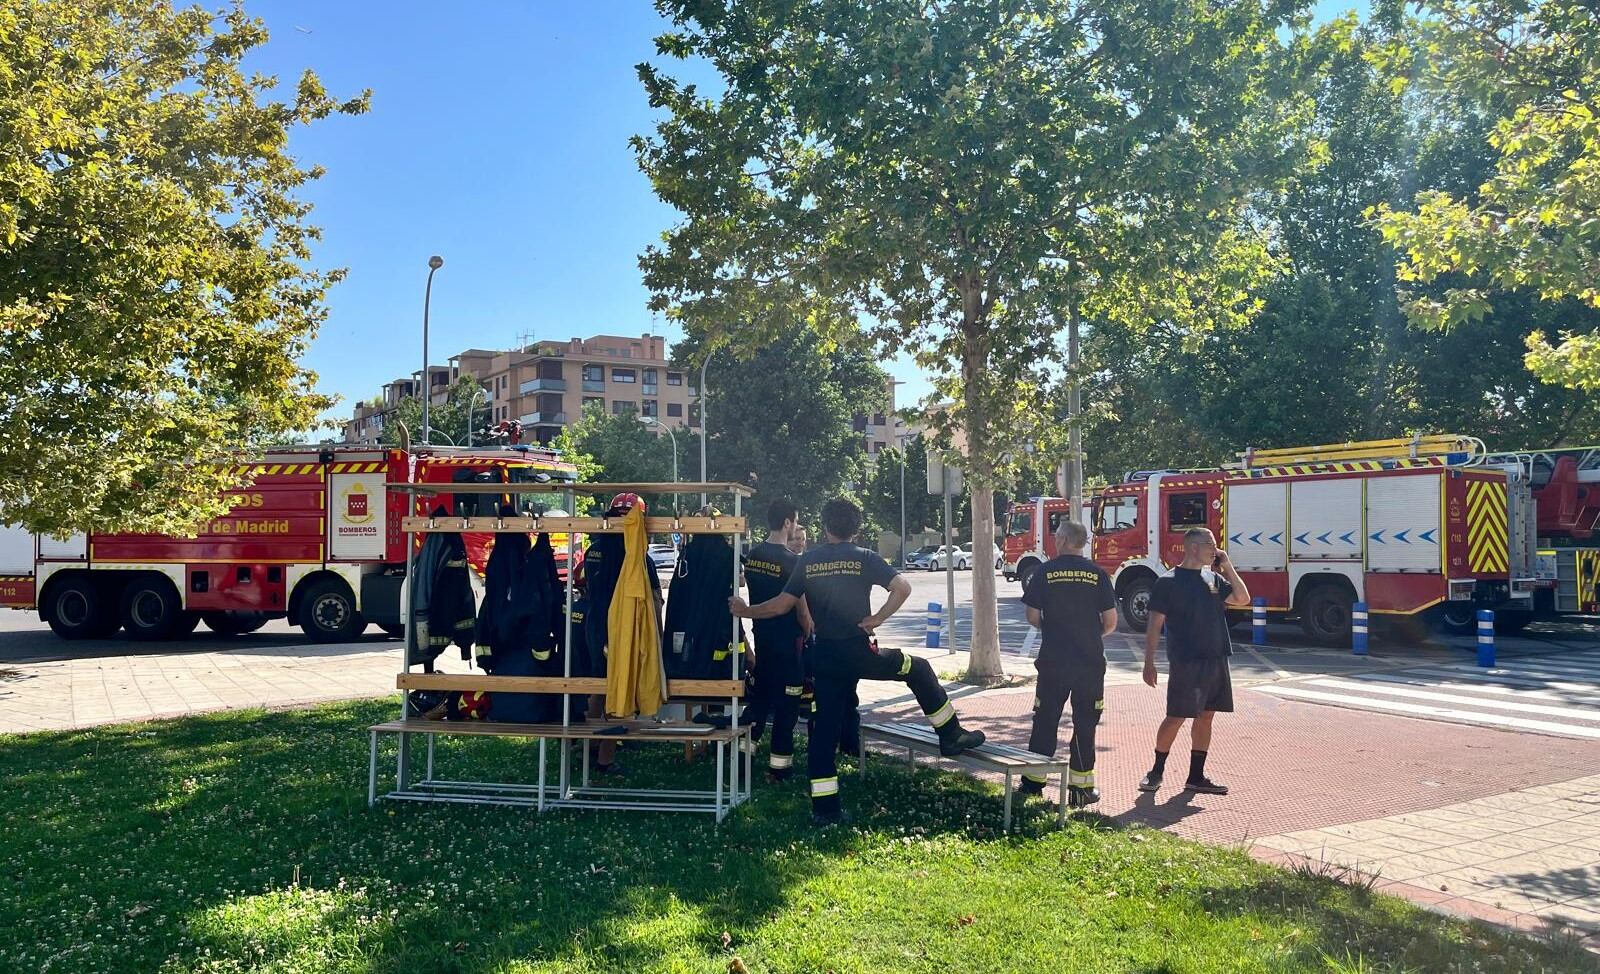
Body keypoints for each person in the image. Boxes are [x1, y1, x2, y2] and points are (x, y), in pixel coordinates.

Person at [731, 497, 985, 826]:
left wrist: (746, 611)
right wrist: (877, 617)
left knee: (823, 730)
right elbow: (903, 587)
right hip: (861, 654)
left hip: (824, 659)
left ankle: (825, 810)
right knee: (917, 667)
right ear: (857, 529)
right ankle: (951, 734)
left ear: (824, 527)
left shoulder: (806, 561)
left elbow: (781, 605)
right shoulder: (865, 557)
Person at [1139, 527, 1251, 796]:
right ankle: (1156, 771)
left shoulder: (1212, 578)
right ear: (1192, 548)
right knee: (1176, 716)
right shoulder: (1168, 581)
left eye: (1215, 545)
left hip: (1216, 657)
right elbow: (1155, 625)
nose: (1215, 549)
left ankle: (1196, 776)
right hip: (1186, 660)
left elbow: (1242, 598)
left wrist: (1227, 566)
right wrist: (1149, 662)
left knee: (1207, 716)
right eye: (1210, 545)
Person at [1018, 519, 1117, 808]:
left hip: (1053, 661)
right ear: (1083, 543)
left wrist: (1056, 629)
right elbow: (1110, 623)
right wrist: (1086, 634)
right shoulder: (1098, 574)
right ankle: (1080, 791)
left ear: (1061, 540)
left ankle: (1033, 786)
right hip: (1089, 663)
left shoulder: (1044, 572)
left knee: (1045, 720)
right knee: (1085, 724)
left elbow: (1033, 617)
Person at [739, 499, 813, 780]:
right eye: (794, 522)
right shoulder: (794, 562)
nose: (795, 527)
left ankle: (743, 761)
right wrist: (807, 631)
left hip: (763, 643)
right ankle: (779, 770)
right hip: (789, 646)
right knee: (787, 709)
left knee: (759, 702)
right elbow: (802, 610)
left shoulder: (753, 555)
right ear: (786, 523)